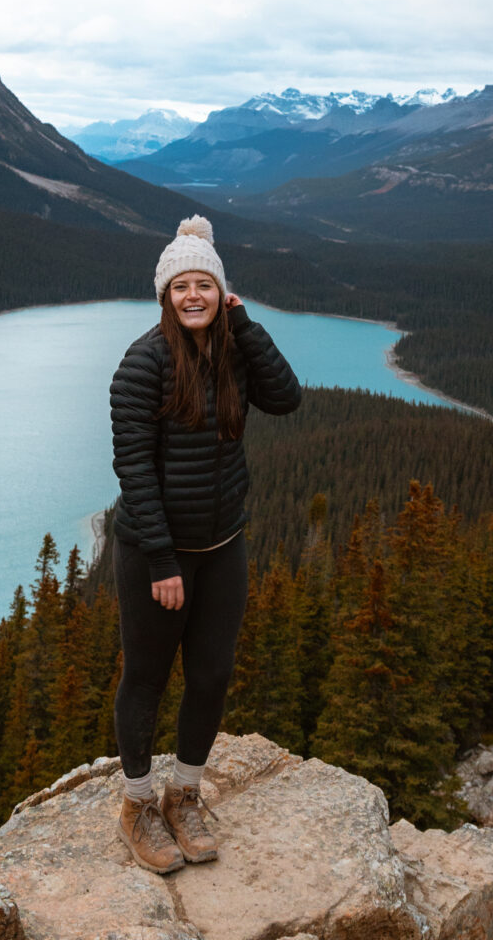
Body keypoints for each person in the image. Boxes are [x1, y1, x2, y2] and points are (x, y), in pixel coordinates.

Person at [109, 214, 302, 874]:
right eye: (181, 286)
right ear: (164, 295)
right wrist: (161, 561)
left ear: (222, 293)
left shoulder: (234, 350)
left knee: (212, 673)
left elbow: (286, 397)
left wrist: (246, 327)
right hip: (153, 553)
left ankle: (184, 794)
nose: (193, 296)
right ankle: (137, 804)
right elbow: (133, 467)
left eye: (205, 285)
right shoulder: (142, 362)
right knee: (147, 677)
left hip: (223, 543)